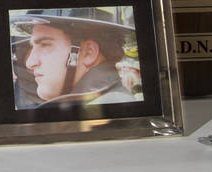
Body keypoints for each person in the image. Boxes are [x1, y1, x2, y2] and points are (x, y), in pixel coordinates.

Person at [11, 8, 141, 110]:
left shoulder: (110, 112)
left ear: (89, 53)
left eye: (45, 45)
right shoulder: (97, 105)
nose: (30, 63)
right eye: (33, 47)